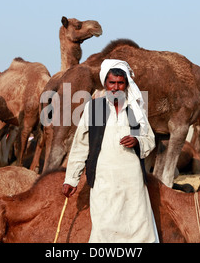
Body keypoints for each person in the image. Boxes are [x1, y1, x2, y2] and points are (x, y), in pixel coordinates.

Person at [62, 59, 158, 243]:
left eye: (120, 83)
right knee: (104, 226)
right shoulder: (94, 108)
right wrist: (71, 179)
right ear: (105, 84)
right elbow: (81, 145)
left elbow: (150, 140)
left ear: (126, 84)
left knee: (137, 227)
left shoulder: (135, 110)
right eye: (112, 82)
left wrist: (137, 141)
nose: (115, 87)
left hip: (132, 180)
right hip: (103, 178)